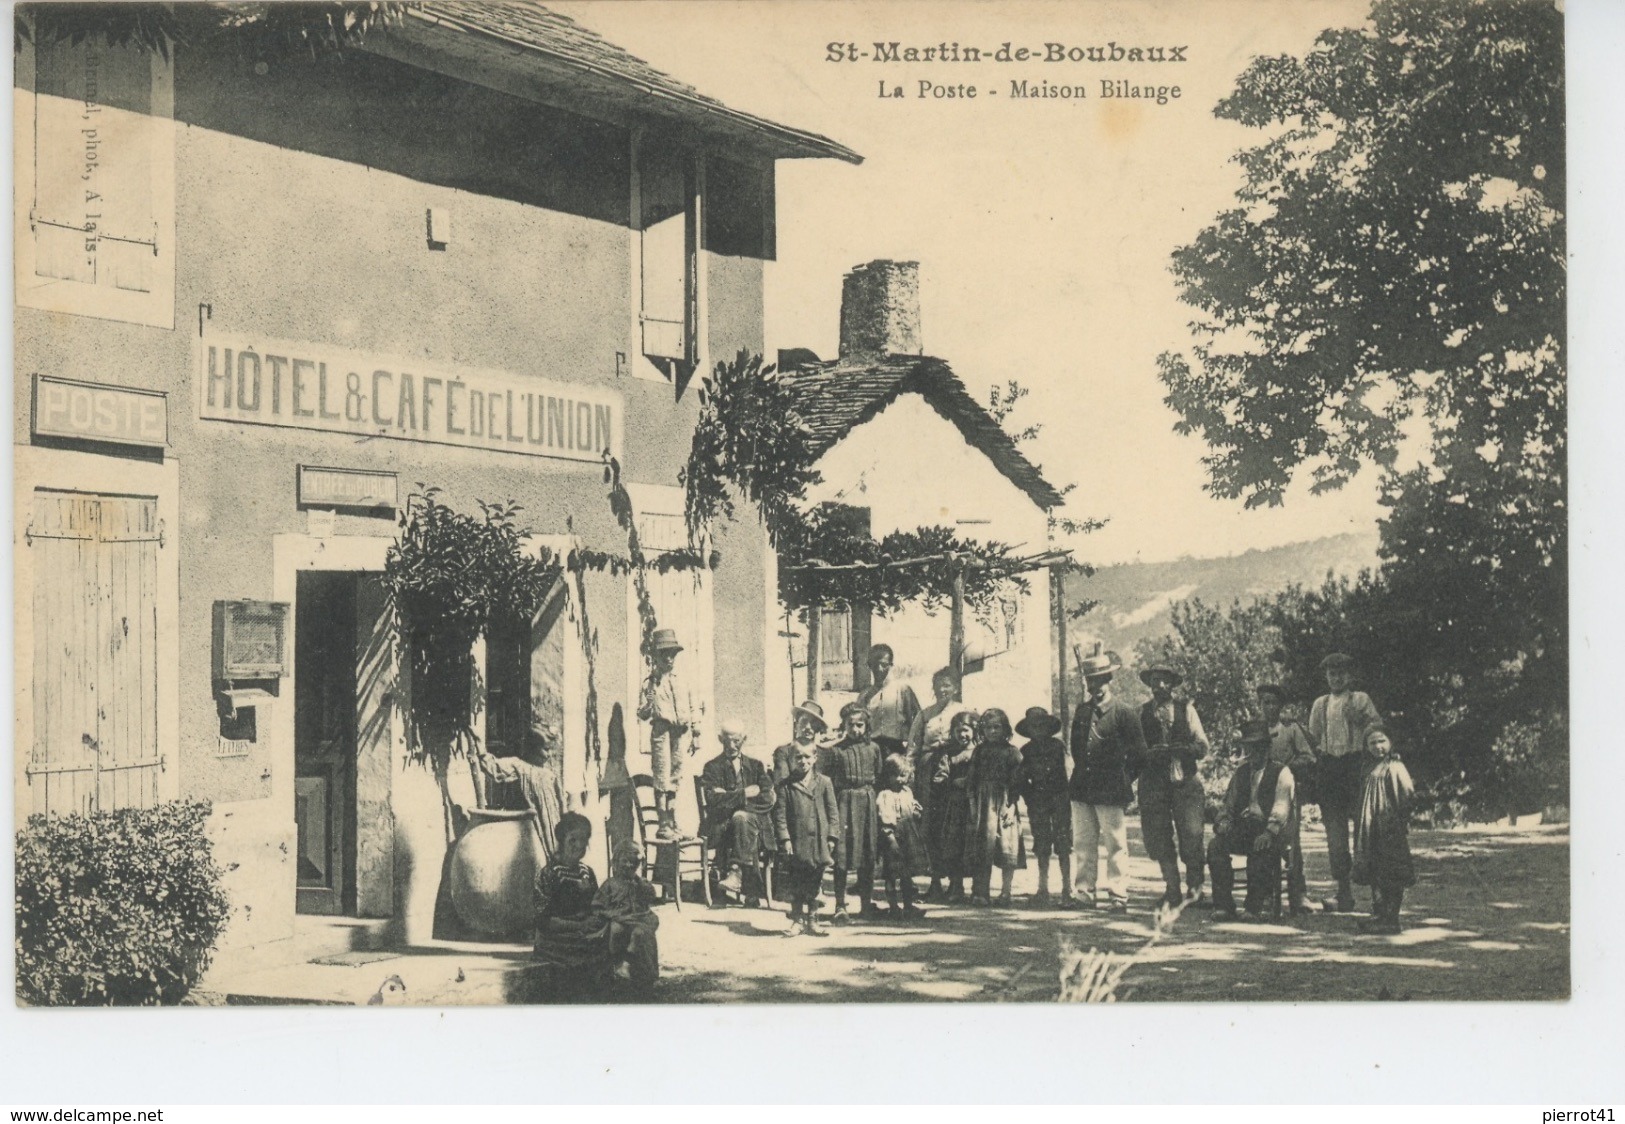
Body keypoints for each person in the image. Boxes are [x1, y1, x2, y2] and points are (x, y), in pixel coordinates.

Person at [1069, 649, 1147, 912]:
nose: (1095, 686)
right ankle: (1084, 892)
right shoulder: (1081, 712)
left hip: (1111, 788)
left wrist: (1123, 779)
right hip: (1082, 787)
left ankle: (1118, 895)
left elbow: (1139, 754)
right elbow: (1076, 748)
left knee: (1115, 843)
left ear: (1109, 679)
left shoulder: (1124, 713)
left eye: (1100, 679)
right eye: (1091, 680)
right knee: (1083, 842)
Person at [1308, 652, 1384, 913]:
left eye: (1341, 673)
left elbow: (1378, 729)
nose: (1336, 678)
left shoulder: (1360, 699)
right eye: (1331, 673)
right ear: (1326, 676)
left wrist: (1361, 720)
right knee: (1335, 835)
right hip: (1331, 769)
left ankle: (1378, 895)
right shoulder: (1320, 704)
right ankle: (1344, 893)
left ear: (1349, 675)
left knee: (1366, 830)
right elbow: (1313, 738)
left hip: (1355, 766)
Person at [1207, 721, 1297, 921]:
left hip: (1271, 830)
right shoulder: (1241, 772)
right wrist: (1223, 821)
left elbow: (1282, 806)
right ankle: (1224, 905)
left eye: (1258, 747)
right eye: (1249, 748)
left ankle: (1254, 908)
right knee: (1216, 846)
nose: (1253, 753)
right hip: (1244, 828)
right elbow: (1228, 804)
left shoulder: (1281, 772)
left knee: (1261, 847)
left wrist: (1269, 831)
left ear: (1267, 748)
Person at [1137, 666, 1211, 908]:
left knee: (1191, 833)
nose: (1159, 686)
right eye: (1155, 681)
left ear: (1172, 685)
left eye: (1164, 681)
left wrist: (1182, 749)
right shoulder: (1141, 713)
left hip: (1185, 781)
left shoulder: (1186, 710)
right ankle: (1172, 889)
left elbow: (1202, 745)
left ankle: (1195, 890)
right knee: (1157, 835)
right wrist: (1148, 754)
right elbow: (1133, 749)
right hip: (1153, 783)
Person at [698, 719, 777, 906]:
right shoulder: (712, 767)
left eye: (736, 741)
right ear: (720, 739)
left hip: (755, 824)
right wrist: (744, 795)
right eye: (727, 741)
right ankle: (750, 889)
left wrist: (729, 798)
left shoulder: (756, 766)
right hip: (722, 825)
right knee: (740, 819)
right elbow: (713, 801)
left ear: (744, 739)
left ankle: (736, 872)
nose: (732, 746)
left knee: (742, 818)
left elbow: (768, 799)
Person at [637, 628, 703, 840]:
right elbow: (643, 713)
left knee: (676, 773)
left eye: (672, 654)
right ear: (655, 657)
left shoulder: (682, 680)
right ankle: (663, 822)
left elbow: (693, 706)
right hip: (661, 731)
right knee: (662, 774)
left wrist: (696, 731)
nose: (669, 658)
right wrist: (648, 702)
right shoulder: (650, 683)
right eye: (664, 654)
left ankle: (673, 820)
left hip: (679, 732)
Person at [472, 725, 571, 863]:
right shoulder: (519, 767)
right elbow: (494, 768)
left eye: (550, 750)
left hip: (553, 828)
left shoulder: (550, 775)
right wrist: (480, 747)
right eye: (545, 750)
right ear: (534, 748)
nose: (548, 755)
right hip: (532, 829)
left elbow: (561, 804)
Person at [1258, 683, 1316, 914]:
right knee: (1261, 838)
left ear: (1280, 706)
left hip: (1287, 791)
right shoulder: (1256, 729)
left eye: (1273, 702)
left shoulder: (1290, 729)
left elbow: (1309, 757)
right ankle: (1263, 893)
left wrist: (1288, 768)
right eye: (1264, 702)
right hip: (1261, 792)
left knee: (1291, 843)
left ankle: (1298, 894)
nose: (1268, 707)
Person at [532, 812, 608, 986]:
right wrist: (579, 926)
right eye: (573, 840)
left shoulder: (587, 872)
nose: (579, 845)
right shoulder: (549, 874)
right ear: (561, 840)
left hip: (583, 932)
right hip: (556, 938)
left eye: (584, 840)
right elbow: (544, 921)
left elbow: (597, 908)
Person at [773, 741, 840, 937]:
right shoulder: (786, 785)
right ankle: (797, 920)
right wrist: (785, 839)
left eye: (807, 757)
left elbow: (833, 812)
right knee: (796, 880)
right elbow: (780, 815)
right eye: (798, 757)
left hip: (819, 840)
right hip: (796, 841)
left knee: (814, 880)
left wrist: (832, 836)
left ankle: (813, 919)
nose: (803, 761)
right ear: (792, 760)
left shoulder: (824, 782)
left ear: (815, 758)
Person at [1352, 727, 1415, 935]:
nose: (1378, 747)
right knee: (1375, 869)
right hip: (1370, 827)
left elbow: (1406, 795)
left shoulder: (1394, 766)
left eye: (1382, 741)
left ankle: (1391, 917)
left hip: (1388, 827)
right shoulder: (1367, 767)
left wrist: (1397, 820)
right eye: (1372, 743)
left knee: (1391, 870)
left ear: (1390, 743)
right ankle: (1379, 913)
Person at [826, 701, 883, 922]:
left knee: (867, 855)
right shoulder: (836, 750)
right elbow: (830, 779)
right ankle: (840, 905)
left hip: (867, 801)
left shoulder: (874, 749)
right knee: (842, 856)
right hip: (844, 802)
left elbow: (877, 776)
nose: (856, 729)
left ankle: (866, 905)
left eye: (860, 725)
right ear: (844, 725)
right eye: (851, 725)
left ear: (867, 726)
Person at [965, 708, 1027, 907]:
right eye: (988, 728)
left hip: (1005, 803)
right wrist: (974, 806)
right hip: (983, 806)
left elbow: (1018, 783)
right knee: (983, 848)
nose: (992, 732)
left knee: (1007, 847)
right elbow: (971, 782)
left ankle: (1005, 893)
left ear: (1005, 729)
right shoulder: (979, 751)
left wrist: (1012, 807)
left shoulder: (1012, 753)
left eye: (997, 727)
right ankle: (981, 892)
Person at [1015, 706, 1073, 907]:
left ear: (1049, 727)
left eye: (1042, 726)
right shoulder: (1026, 751)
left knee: (1063, 841)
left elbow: (1067, 772)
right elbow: (1021, 778)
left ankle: (1067, 889)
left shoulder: (1058, 746)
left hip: (1059, 798)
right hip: (1038, 800)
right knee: (1041, 844)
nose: (1038, 730)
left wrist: (1066, 796)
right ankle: (1043, 888)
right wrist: (1028, 796)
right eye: (1034, 727)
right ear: (1028, 730)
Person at [593, 839, 660, 992]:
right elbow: (597, 906)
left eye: (633, 863)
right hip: (620, 920)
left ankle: (641, 974)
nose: (629, 866)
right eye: (625, 861)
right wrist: (608, 914)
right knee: (617, 930)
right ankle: (618, 968)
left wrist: (645, 887)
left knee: (642, 931)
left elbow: (650, 899)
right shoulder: (610, 884)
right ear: (615, 863)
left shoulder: (640, 883)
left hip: (638, 919)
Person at [926, 708, 978, 903]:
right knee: (954, 844)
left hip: (975, 804)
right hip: (954, 805)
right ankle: (956, 886)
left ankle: (978, 889)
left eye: (966, 730)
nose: (962, 735)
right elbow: (940, 776)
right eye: (958, 730)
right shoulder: (947, 752)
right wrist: (950, 782)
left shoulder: (980, 751)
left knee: (974, 845)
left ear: (974, 730)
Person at [875, 755, 928, 919]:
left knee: (907, 873)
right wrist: (890, 838)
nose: (899, 779)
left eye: (903, 775)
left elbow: (912, 811)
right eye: (895, 775)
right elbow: (885, 818)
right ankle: (893, 905)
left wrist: (916, 812)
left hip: (908, 835)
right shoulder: (885, 794)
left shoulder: (907, 792)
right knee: (892, 873)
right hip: (893, 835)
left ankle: (908, 905)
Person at [857, 643, 921, 761]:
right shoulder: (864, 695)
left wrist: (910, 750)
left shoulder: (903, 690)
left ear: (891, 665)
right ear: (869, 665)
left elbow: (918, 721)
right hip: (871, 749)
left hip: (896, 748)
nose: (879, 669)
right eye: (875, 665)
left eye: (884, 665)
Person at [774, 700, 829, 784]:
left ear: (818, 728)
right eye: (804, 721)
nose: (808, 727)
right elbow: (782, 782)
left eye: (813, 723)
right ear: (796, 726)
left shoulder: (824, 754)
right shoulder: (784, 752)